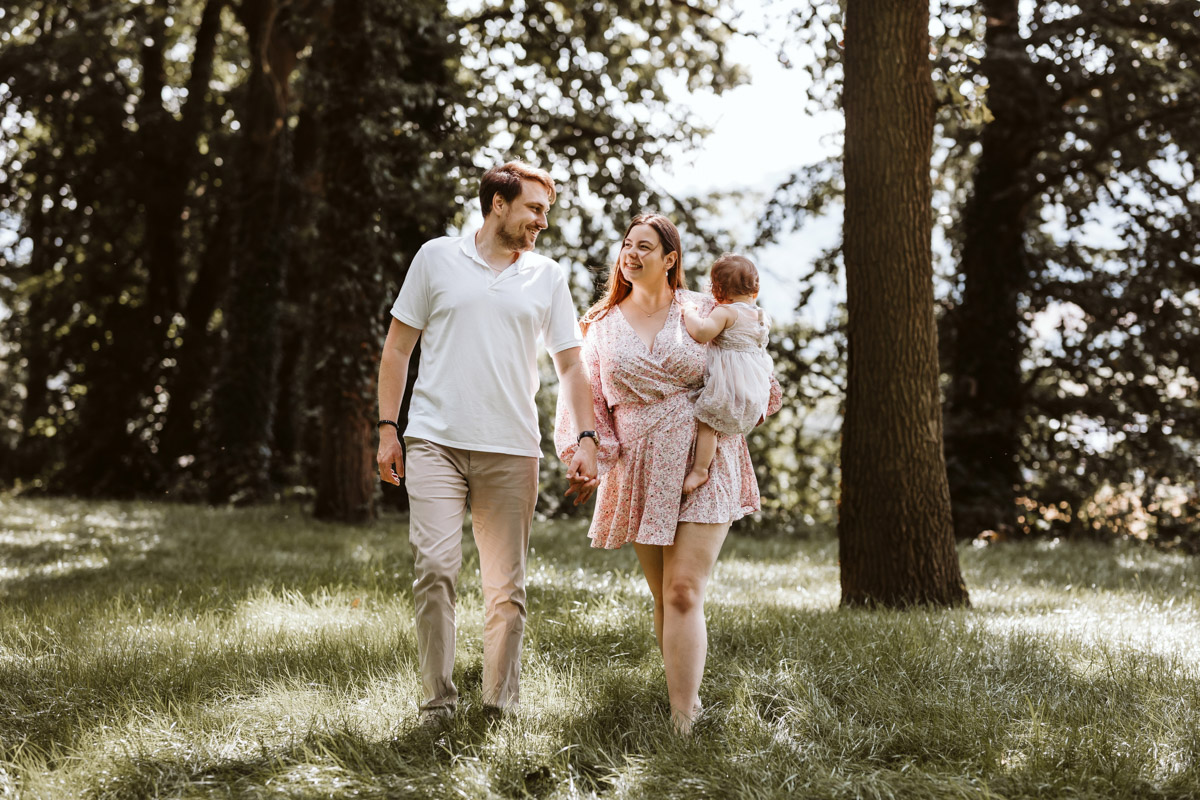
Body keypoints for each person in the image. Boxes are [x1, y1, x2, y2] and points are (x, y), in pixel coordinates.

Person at [376, 161, 600, 727]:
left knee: (506, 586)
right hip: (435, 440)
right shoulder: (436, 257)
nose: (542, 222)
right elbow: (398, 348)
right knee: (435, 568)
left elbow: (571, 366)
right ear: (498, 203)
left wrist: (587, 437)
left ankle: (500, 705)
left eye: (546, 211)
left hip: (512, 446)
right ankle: (438, 704)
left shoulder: (547, 275)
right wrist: (387, 428)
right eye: (534, 208)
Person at [555, 213, 781, 734]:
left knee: (682, 591)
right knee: (663, 596)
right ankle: (678, 694)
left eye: (645, 246)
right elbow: (588, 399)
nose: (631, 254)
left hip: (707, 456)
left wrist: (734, 411)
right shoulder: (601, 327)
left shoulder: (705, 310)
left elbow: (756, 373)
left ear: (670, 258)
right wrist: (589, 455)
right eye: (627, 245)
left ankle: (684, 718)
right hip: (640, 466)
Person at [680, 254, 775, 494]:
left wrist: (689, 312)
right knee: (720, 421)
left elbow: (701, 332)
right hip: (754, 384)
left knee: (708, 421)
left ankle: (700, 470)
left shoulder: (726, 312)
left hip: (729, 382)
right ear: (755, 290)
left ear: (717, 291)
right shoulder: (762, 316)